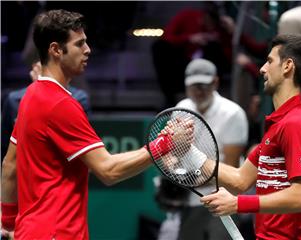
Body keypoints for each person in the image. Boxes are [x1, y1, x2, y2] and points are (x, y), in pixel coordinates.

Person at [0, 9, 194, 239]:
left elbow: (10, 166)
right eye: (79, 44)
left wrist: (9, 222)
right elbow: (108, 170)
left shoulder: (31, 96)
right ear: (55, 50)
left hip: (31, 231)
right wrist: (166, 144)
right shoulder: (61, 104)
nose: (87, 50)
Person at [199, 34, 301, 239]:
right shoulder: (278, 125)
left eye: (269, 61)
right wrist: (189, 152)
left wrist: (238, 204)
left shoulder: (295, 124)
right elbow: (240, 180)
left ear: (287, 66)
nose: (262, 69)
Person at [157, 58, 251, 240]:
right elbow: (170, 153)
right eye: (193, 86)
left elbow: (230, 168)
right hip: (189, 202)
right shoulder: (181, 109)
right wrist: (173, 169)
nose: (198, 91)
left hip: (222, 199)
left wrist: (188, 179)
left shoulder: (233, 113)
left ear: (215, 82)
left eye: (203, 85)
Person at [1, 61, 91, 160]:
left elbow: (83, 147)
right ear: (34, 68)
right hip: (25, 168)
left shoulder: (78, 98)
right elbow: (6, 149)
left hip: (61, 168)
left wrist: (43, 87)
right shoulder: (13, 100)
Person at [152, 2, 234, 108]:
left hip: (208, 66)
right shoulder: (187, 16)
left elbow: (230, 57)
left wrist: (230, 32)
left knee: (213, 47)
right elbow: (166, 38)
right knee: (159, 47)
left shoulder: (222, 28)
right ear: (205, 15)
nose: (210, 26)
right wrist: (190, 39)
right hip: (182, 63)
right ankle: (169, 97)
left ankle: (209, 95)